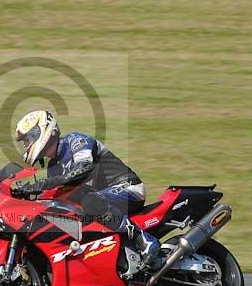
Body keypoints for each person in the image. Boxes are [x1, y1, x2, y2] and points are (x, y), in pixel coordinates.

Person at [11, 110, 160, 272]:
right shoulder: (53, 169)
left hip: (128, 187)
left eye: (27, 139)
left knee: (89, 201)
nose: (25, 144)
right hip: (101, 204)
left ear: (43, 131)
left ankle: (144, 240)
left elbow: (84, 168)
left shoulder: (75, 140)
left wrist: (42, 184)